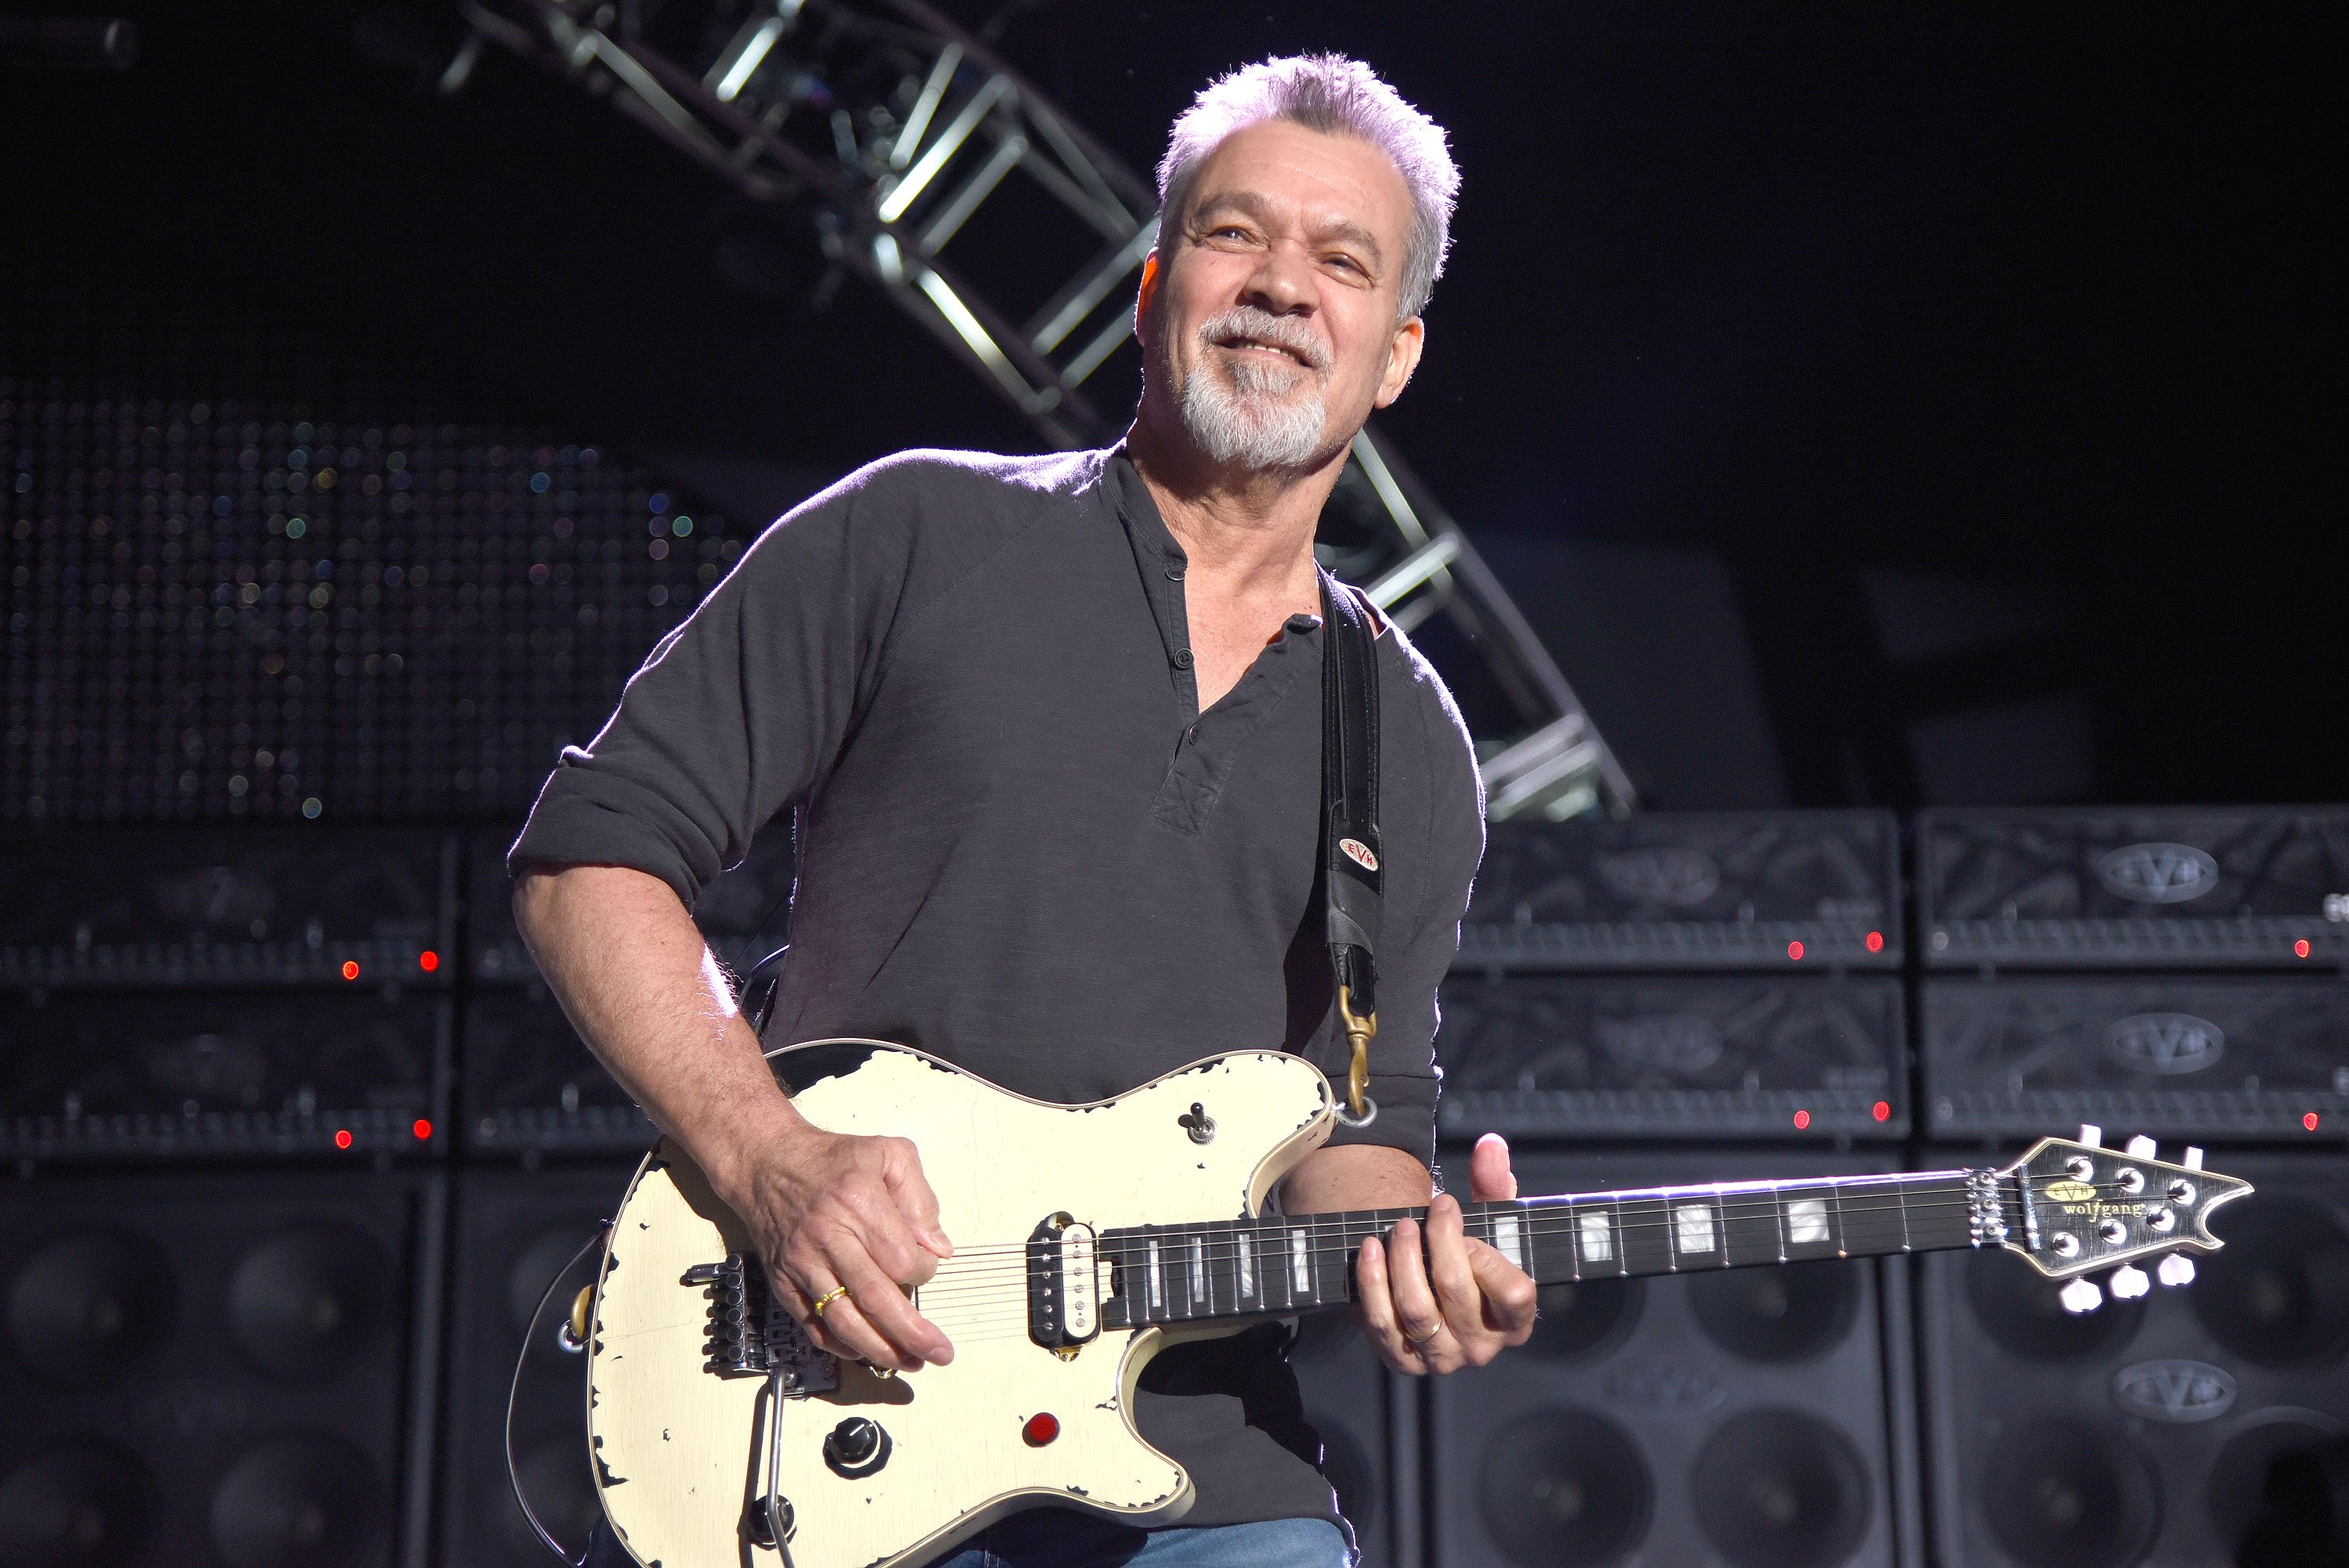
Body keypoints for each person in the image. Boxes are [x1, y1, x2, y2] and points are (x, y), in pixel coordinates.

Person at [511, 52, 1536, 1568]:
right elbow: (589, 858)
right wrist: (768, 1160)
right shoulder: (918, 530)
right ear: (1150, 287)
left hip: (1195, 1467)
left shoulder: (1408, 738)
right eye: (1234, 235)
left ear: (1395, 352)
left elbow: (1350, 1120)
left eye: (1342, 261)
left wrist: (1425, 1259)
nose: (1280, 289)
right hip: (835, 1385)